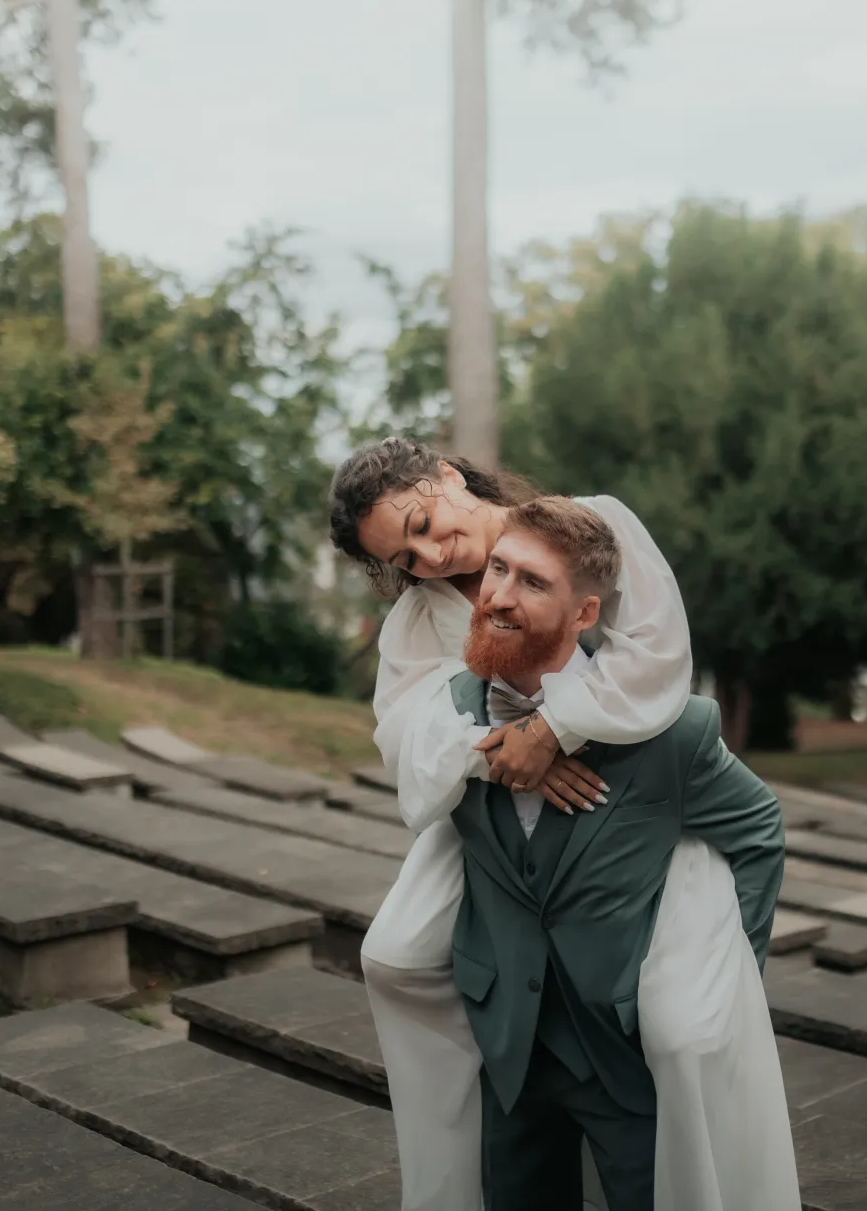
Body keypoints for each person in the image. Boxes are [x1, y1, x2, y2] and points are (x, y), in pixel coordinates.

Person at [329, 439, 798, 1210]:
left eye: (421, 521)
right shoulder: (421, 615)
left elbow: (655, 648)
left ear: (447, 476)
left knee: (677, 1018)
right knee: (395, 956)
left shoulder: (589, 526)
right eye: (404, 556)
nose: (427, 554)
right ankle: (467, 1145)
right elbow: (405, 731)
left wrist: (555, 732)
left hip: (625, 787)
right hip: (483, 798)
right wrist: (506, 754)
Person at [445, 497, 786, 1209]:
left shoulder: (673, 733)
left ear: (586, 614)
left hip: (622, 1053)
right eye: (497, 569)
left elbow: (759, 831)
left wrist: (727, 988)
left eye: (532, 582)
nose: (499, 596)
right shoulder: (445, 714)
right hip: (505, 1043)